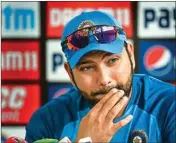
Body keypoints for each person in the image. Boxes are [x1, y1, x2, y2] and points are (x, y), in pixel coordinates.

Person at [25, 11, 176, 143]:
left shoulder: (169, 105)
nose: (104, 80)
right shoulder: (47, 121)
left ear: (131, 54)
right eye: (87, 67)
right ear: (70, 73)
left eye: (112, 60)